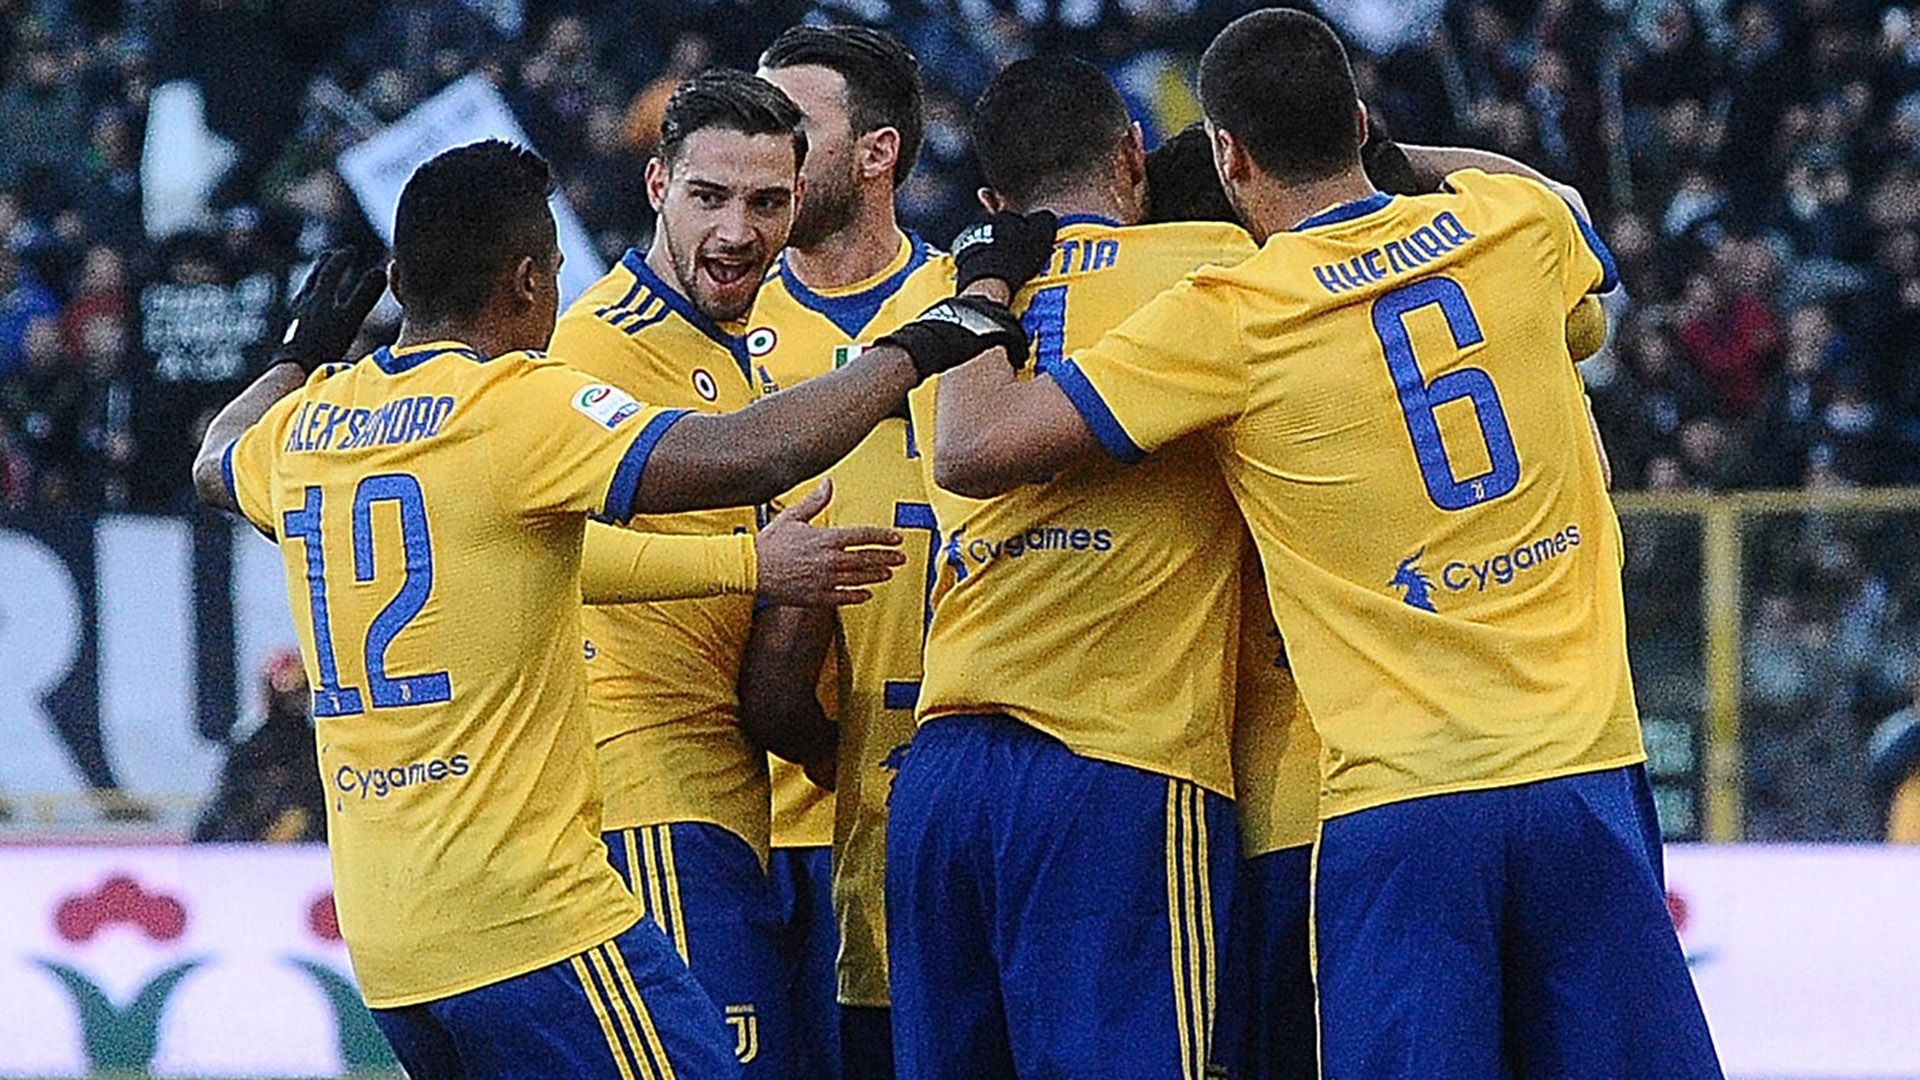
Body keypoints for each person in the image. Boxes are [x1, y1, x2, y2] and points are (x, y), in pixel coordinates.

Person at [930, 10, 1722, 1078]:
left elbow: (974, 447)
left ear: (1229, 155)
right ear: (1356, 119)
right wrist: (1391, 156)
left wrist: (983, 282)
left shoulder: (1230, 312)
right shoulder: (1512, 228)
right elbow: (1565, 205)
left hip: (1400, 799)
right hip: (1586, 771)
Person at [191, 136, 1031, 1078]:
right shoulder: (514, 405)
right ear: (528, 280)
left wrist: (297, 355)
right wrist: (923, 344)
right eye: (554, 271)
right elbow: (752, 455)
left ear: (398, 281)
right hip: (528, 923)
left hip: (392, 949)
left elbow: (216, 459)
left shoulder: (311, 425)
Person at [882, 57, 1258, 1080]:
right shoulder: (1215, 269)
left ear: (992, 205)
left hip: (944, 770)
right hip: (1116, 758)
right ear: (1134, 155)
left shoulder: (936, 305)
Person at [745, 25, 957, 1078]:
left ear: (879, 153)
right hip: (764, 826)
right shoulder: (721, 324)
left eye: (791, 126)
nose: (764, 150)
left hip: (933, 814)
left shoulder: (977, 303)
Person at [192, 650, 327, 843]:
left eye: (301, 692)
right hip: (252, 851)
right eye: (288, 695)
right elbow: (228, 811)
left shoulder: (319, 748)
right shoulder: (248, 751)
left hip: (313, 850)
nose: (296, 701)